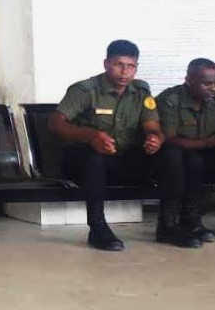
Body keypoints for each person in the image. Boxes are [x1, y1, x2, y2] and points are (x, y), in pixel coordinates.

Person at [49, 40, 199, 251]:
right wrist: (91, 136)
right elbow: (55, 123)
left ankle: (168, 225)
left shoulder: (141, 91)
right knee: (91, 157)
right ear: (106, 64)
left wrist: (155, 139)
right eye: (119, 64)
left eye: (131, 66)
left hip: (123, 159)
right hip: (84, 163)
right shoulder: (85, 90)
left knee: (171, 152)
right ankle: (97, 227)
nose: (125, 72)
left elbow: (152, 126)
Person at [156, 57, 215, 243]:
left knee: (196, 160)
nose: (213, 88)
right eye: (207, 83)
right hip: (172, 154)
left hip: (203, 150)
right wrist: (207, 142)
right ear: (189, 80)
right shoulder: (170, 100)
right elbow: (168, 139)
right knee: (182, 157)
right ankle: (167, 225)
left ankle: (191, 221)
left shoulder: (212, 100)